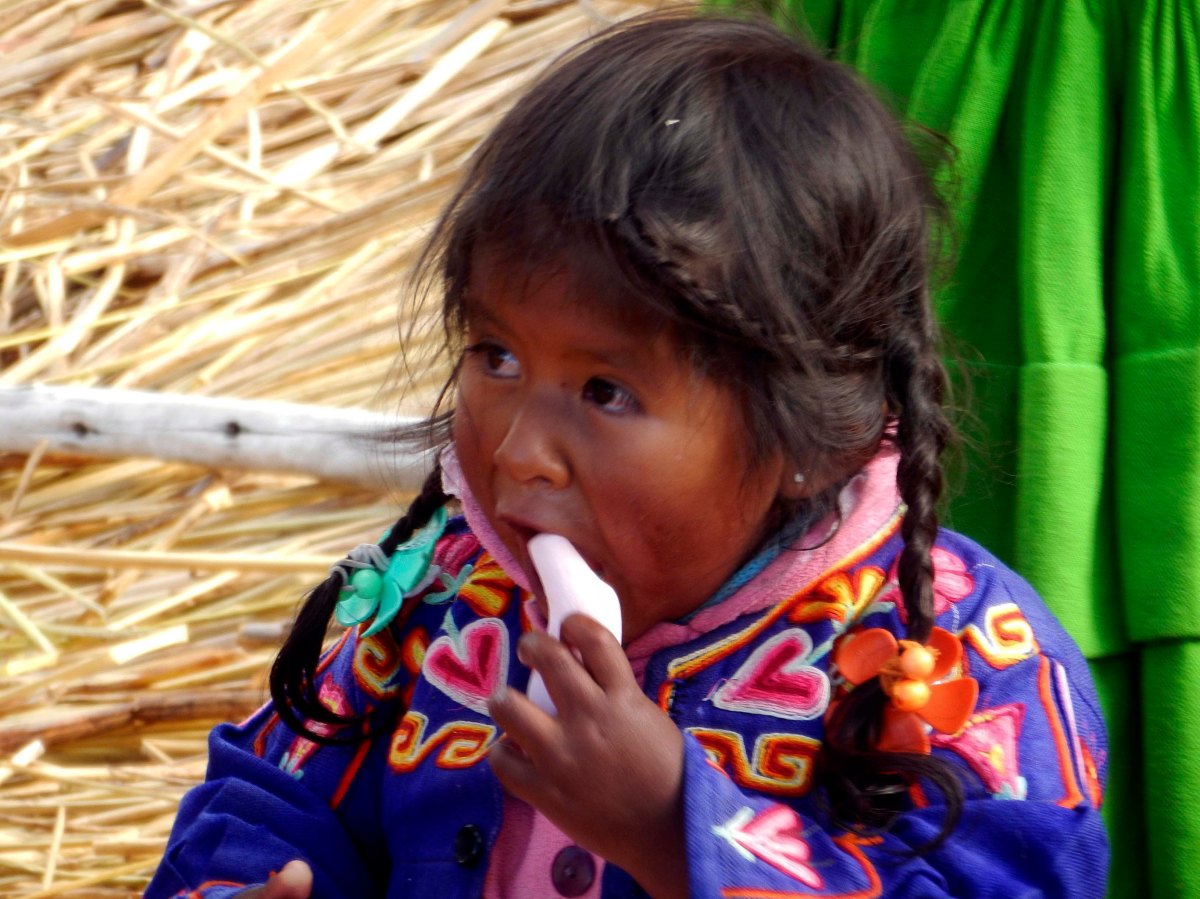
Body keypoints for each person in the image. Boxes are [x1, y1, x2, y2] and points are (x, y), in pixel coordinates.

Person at [146, 10, 1109, 898]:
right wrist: (250, 879)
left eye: (606, 391)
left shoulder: (954, 655)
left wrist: (674, 828)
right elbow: (276, 789)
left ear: (812, 439)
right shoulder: (439, 599)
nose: (521, 450)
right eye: (497, 355)